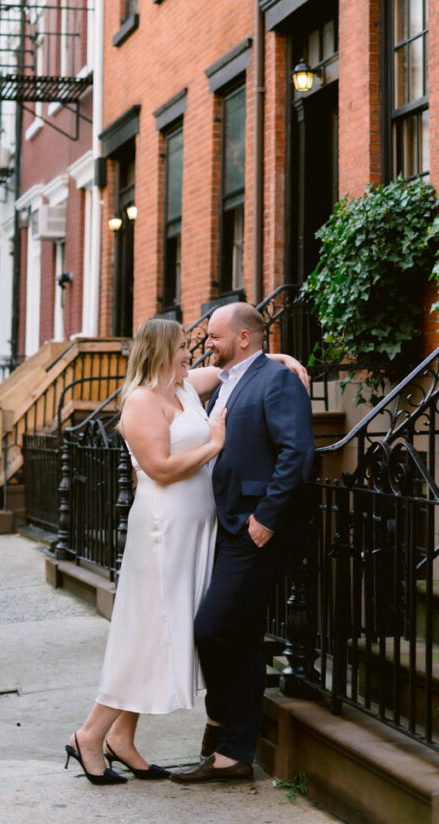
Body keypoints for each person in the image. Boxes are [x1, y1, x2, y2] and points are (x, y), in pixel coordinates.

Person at [65, 317, 307, 786]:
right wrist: (213, 445)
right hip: (163, 531)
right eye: (181, 346)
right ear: (160, 351)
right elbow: (159, 469)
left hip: (196, 531)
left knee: (163, 632)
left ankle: (123, 739)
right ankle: (90, 736)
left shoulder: (184, 388)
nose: (190, 352)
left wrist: (278, 358)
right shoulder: (139, 402)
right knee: (150, 632)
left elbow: (235, 369)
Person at [171, 303, 315, 784]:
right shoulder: (228, 379)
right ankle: (234, 755)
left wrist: (266, 519)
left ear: (245, 338)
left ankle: (220, 721)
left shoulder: (277, 381)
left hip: (256, 531)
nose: (206, 343)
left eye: (214, 335)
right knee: (245, 639)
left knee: (211, 629)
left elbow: (297, 451)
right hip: (226, 525)